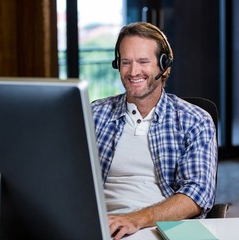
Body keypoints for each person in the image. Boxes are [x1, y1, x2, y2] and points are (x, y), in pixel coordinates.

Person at [91, 22, 217, 240]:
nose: (133, 72)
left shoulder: (195, 120)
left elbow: (197, 194)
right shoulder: (94, 114)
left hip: (166, 227)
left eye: (143, 62)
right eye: (125, 62)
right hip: (104, 226)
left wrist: (134, 219)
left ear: (164, 66)